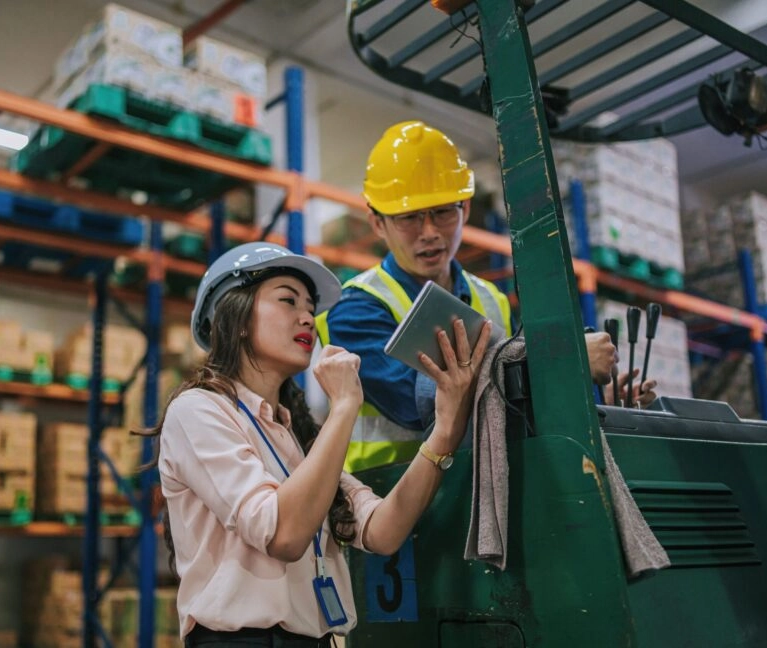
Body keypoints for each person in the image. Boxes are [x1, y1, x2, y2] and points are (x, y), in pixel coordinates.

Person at [144, 242, 492, 646]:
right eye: (287, 301)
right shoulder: (198, 411)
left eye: (310, 307)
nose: (307, 317)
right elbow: (285, 535)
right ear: (234, 318)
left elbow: (382, 530)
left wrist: (444, 432)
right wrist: (344, 406)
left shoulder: (298, 435)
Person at [317, 120, 656, 472]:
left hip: (478, 491)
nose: (430, 232)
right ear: (377, 223)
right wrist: (561, 361)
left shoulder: (490, 298)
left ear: (464, 210)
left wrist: (591, 398)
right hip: (386, 501)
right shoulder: (354, 308)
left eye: (443, 212)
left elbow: (512, 407)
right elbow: (416, 402)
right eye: (410, 218)